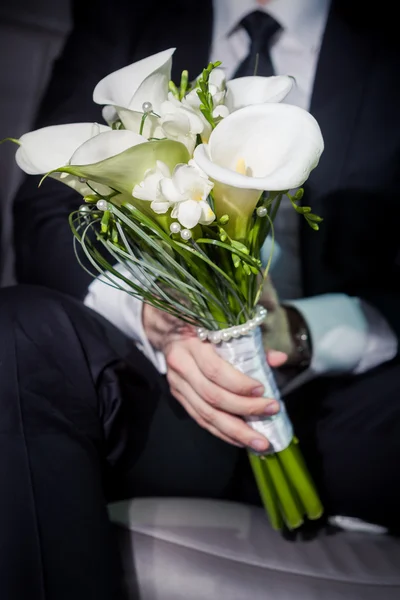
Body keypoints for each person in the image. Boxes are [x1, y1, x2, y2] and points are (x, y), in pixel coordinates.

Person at [5, 0, 400, 597]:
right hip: (157, 404)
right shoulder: (126, 14)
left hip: (339, 415)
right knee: (19, 329)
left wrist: (302, 331)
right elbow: (46, 213)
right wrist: (155, 313)